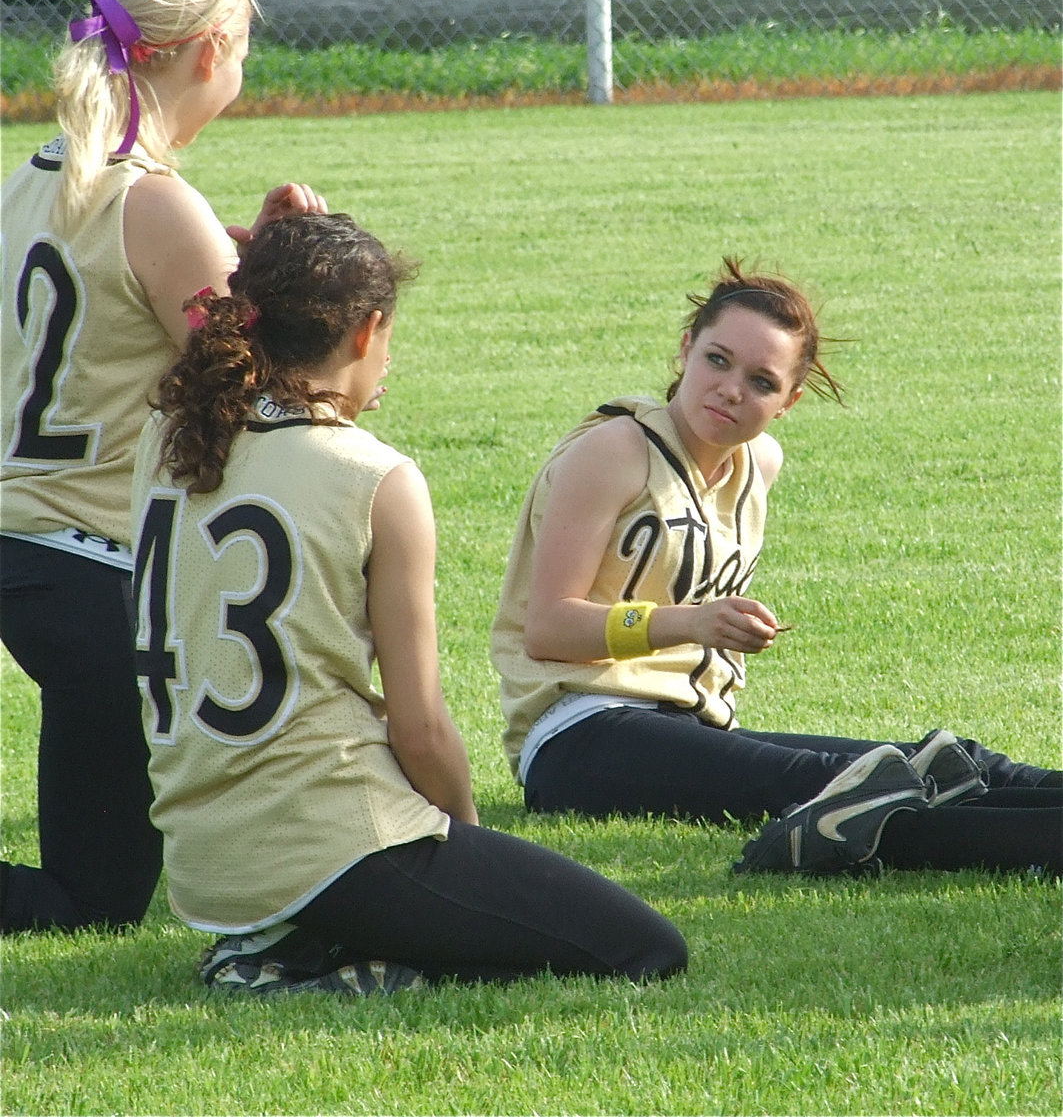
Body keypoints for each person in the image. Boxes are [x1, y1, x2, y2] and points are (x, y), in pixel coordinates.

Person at [129, 212, 687, 996]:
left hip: (202, 859)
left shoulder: (167, 438)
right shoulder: (372, 476)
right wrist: (464, 837)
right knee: (646, 949)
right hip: (329, 845)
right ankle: (298, 965)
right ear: (367, 331)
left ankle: (288, 940)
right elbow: (418, 727)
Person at [491, 258, 1062, 878]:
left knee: (942, 762)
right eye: (717, 359)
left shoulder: (757, 463)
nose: (732, 389)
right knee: (852, 790)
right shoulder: (613, 451)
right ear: (685, 350)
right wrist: (691, 623)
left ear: (789, 400)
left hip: (689, 727)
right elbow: (549, 627)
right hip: (579, 736)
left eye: (762, 381)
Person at [0, 0, 331, 933]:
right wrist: (298, 277)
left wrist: (239, 261)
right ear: (211, 49)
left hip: (28, 548)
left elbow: (115, 311)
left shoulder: (29, 180)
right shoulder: (156, 201)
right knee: (91, 904)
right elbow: (256, 392)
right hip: (87, 567)